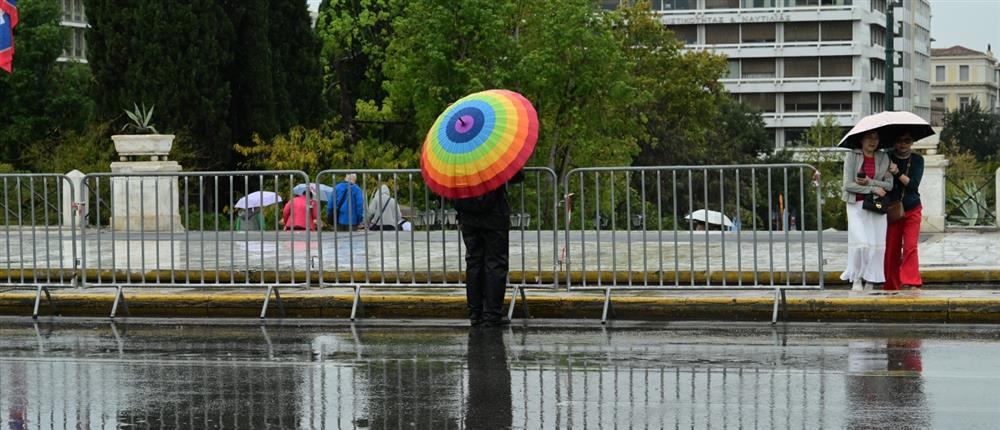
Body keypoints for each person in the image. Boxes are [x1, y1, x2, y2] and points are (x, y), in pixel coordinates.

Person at [453, 170, 524, 327]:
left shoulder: (459, 157)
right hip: (494, 216)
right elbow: (517, 176)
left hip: (468, 215)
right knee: (495, 264)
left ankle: (475, 313)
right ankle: (491, 314)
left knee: (473, 263)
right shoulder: (493, 155)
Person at [841, 131, 893, 291]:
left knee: (876, 246)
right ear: (861, 139)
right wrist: (873, 189)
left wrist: (871, 182)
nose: (873, 141)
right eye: (869, 137)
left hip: (876, 207)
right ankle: (856, 278)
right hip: (855, 205)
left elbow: (889, 185)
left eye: (876, 138)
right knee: (861, 244)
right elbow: (848, 185)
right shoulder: (852, 156)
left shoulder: (884, 157)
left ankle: (871, 279)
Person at [884, 133, 924, 291]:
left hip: (912, 207)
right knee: (892, 248)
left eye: (907, 140)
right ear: (894, 142)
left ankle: (912, 281)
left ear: (912, 142)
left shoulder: (918, 159)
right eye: (899, 140)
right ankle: (891, 284)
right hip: (892, 209)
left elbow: (913, 185)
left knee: (910, 246)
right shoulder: (886, 157)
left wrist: (897, 173)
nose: (903, 144)